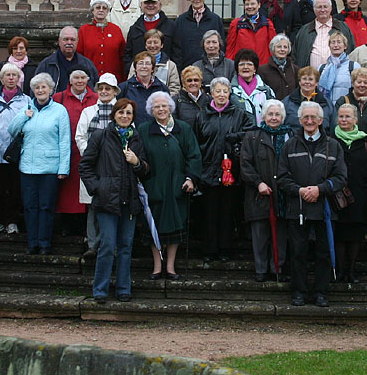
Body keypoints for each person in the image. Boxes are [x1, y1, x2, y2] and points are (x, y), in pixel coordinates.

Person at [277, 101, 347, 307]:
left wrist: (320, 189)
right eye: (305, 117)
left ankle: (321, 293)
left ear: (321, 120)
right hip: (296, 208)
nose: (309, 121)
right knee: (297, 252)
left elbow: (341, 177)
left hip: (325, 209)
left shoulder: (333, 145)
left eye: (313, 117)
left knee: (323, 253)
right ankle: (298, 292)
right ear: (299, 120)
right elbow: (282, 177)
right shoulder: (290, 145)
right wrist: (299, 190)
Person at [79, 98, 149, 303]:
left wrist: (137, 163)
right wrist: (97, 187)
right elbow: (85, 166)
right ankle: (100, 290)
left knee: (126, 247)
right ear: (114, 115)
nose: (125, 116)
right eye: (121, 112)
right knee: (108, 246)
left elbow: (146, 169)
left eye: (128, 113)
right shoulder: (101, 135)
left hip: (129, 201)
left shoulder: (136, 138)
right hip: (107, 200)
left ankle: (123, 289)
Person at [138, 92, 202, 280]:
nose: (161, 109)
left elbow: (194, 155)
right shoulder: (143, 130)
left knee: (176, 226)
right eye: (157, 106)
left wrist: (190, 178)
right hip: (154, 186)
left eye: (164, 106)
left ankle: (171, 267)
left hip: (177, 186)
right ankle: (157, 266)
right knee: (154, 226)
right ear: (151, 110)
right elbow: (139, 156)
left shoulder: (183, 128)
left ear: (170, 108)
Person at [8, 73, 71, 255]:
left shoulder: (59, 110)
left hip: (50, 168)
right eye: (37, 88)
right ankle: (32, 242)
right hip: (27, 167)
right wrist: (24, 117)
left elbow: (64, 140)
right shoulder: (27, 108)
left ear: (51, 90)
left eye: (44, 87)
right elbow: (11, 131)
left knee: (46, 206)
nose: (40, 90)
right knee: (29, 207)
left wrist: (63, 168)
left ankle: (44, 243)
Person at [194, 77, 256, 261]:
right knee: (209, 212)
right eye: (218, 91)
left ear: (230, 93)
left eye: (225, 91)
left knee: (227, 211)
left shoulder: (239, 113)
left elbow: (250, 133)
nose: (221, 95)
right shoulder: (202, 115)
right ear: (211, 93)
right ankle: (210, 249)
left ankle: (225, 249)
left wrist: (233, 137)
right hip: (209, 169)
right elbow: (197, 141)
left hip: (232, 170)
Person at [240, 100, 291, 281]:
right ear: (263, 116)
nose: (274, 118)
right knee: (260, 235)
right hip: (258, 195)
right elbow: (245, 164)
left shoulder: (290, 136)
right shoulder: (253, 136)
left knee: (281, 235)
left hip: (283, 194)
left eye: (277, 115)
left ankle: (277, 268)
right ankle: (261, 270)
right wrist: (258, 183)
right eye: (270, 114)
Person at [75, 73, 120, 257]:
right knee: (93, 206)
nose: (104, 91)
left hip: (115, 167)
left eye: (108, 88)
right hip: (93, 166)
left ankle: (112, 244)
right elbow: (80, 137)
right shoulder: (88, 111)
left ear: (115, 91)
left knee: (114, 206)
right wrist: (91, 156)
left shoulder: (120, 111)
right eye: (101, 88)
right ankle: (93, 244)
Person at [0, 63, 30, 235]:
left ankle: (12, 221)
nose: (11, 78)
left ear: (19, 79)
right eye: (7, 75)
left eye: (14, 75)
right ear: (2, 78)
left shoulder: (25, 100)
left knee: (15, 188)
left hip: (16, 152)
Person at [333, 103, 367, 283]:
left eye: (348, 117)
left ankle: (351, 270)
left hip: (360, 196)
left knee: (355, 235)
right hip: (337, 195)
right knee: (340, 235)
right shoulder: (331, 140)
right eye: (341, 117)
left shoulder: (365, 141)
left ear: (355, 119)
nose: (344, 120)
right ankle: (340, 270)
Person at [52, 70, 98, 235]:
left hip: (89, 152)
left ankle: (87, 228)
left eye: (83, 78)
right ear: (70, 81)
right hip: (68, 150)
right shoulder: (59, 98)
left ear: (88, 80)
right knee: (68, 191)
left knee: (87, 189)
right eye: (76, 78)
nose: (80, 81)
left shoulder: (96, 98)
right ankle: (67, 225)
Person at [292, 0, 355, 69]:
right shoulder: (304, 31)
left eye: (325, 6)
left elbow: (351, 51)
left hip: (337, 76)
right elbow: (295, 55)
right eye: (319, 7)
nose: (322, 10)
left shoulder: (342, 28)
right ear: (314, 9)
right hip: (311, 78)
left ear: (331, 8)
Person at [173, 0, 224, 69]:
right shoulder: (181, 20)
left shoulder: (215, 19)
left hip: (210, 67)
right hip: (187, 67)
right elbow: (176, 47)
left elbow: (222, 45)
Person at [123, 0, 176, 72]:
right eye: (147, 3)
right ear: (141, 5)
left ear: (160, 5)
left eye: (154, 3)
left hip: (165, 73)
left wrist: (173, 72)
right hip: (139, 75)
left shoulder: (171, 26)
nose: (150, 5)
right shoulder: (134, 28)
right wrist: (131, 70)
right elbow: (128, 54)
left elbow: (177, 52)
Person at [77, 0, 126, 83]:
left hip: (113, 77)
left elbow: (122, 55)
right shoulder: (83, 30)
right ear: (93, 10)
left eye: (104, 8)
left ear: (107, 11)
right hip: (90, 78)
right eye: (98, 7)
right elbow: (79, 56)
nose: (101, 10)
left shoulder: (115, 29)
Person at [35, 26, 98, 94]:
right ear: (59, 41)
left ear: (77, 41)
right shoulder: (46, 65)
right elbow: (36, 90)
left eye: (72, 40)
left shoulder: (88, 65)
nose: (69, 43)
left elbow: (95, 91)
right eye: (66, 39)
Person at [117, 51, 170, 126]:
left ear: (152, 68)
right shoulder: (124, 87)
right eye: (140, 63)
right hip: (132, 133)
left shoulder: (162, 88)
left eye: (148, 64)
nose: (144, 66)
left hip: (155, 132)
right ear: (135, 68)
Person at [226, 0, 276, 66]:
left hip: (263, 67)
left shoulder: (267, 24)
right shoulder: (236, 24)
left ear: (259, 5)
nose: (250, 7)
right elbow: (230, 48)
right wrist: (230, 66)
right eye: (247, 4)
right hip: (243, 67)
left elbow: (273, 48)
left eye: (252, 4)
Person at [283, 66, 335, 135]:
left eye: (310, 79)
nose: (307, 82)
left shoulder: (327, 105)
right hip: (294, 143)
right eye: (304, 79)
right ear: (299, 82)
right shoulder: (287, 103)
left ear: (316, 83)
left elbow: (333, 127)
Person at [230, 49, 275, 126]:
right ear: (237, 68)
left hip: (262, 134)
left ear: (255, 68)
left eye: (249, 64)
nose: (245, 67)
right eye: (241, 64)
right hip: (239, 134)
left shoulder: (266, 91)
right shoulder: (230, 91)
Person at [127, 29, 180, 95]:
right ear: (145, 45)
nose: (152, 46)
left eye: (155, 42)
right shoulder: (136, 63)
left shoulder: (170, 65)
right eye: (149, 43)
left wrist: (164, 102)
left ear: (162, 45)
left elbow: (174, 89)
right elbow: (130, 85)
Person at [317, 31, 361, 104]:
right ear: (329, 46)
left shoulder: (353, 66)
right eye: (333, 42)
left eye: (339, 42)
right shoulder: (322, 68)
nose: (336, 45)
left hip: (346, 108)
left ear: (345, 46)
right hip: (326, 109)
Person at [334, 67, 367, 134]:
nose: (362, 85)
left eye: (365, 82)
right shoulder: (342, 101)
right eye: (359, 82)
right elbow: (335, 125)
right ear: (352, 83)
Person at [257, 34, 299, 100]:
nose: (282, 49)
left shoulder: (295, 69)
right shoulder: (262, 70)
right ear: (273, 49)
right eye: (279, 47)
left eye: (285, 47)